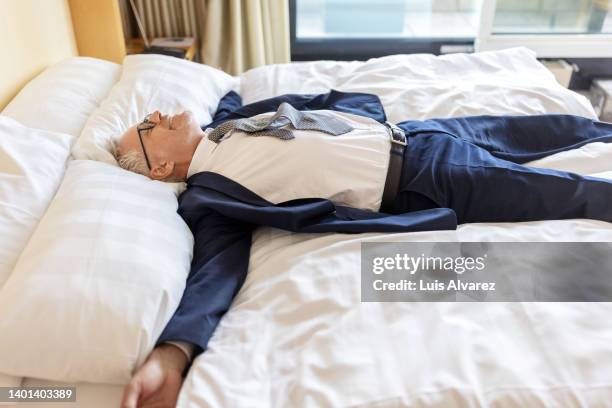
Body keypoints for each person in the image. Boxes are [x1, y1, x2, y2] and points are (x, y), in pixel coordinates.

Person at [115, 90, 612, 407]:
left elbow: (270, 106)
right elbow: (215, 267)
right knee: (570, 192)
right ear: (159, 168)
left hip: (417, 134)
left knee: (562, 129)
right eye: (148, 125)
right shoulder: (211, 195)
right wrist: (173, 352)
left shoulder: (226, 124)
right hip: (423, 177)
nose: (157, 114)